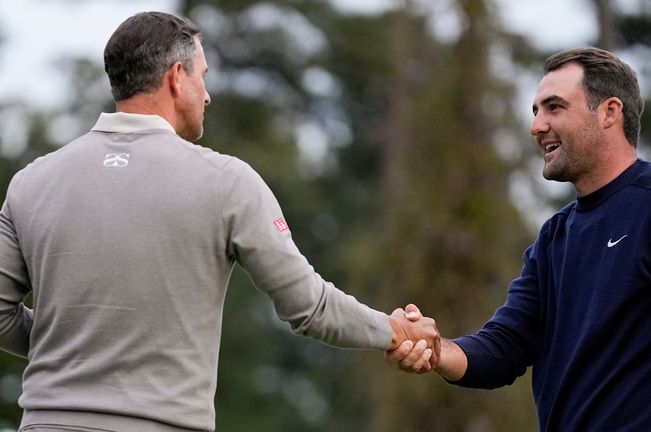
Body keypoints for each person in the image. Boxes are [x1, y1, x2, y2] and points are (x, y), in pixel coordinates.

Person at [0, 11, 440, 432]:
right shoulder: (227, 182)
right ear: (176, 77)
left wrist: (75, 345)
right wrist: (394, 329)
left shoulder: (31, 182)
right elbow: (310, 308)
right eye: (203, 76)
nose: (207, 95)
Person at [389, 47, 651, 431]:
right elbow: (505, 347)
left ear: (609, 113)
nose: (537, 126)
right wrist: (436, 350)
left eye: (554, 107)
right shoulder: (554, 238)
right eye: (535, 111)